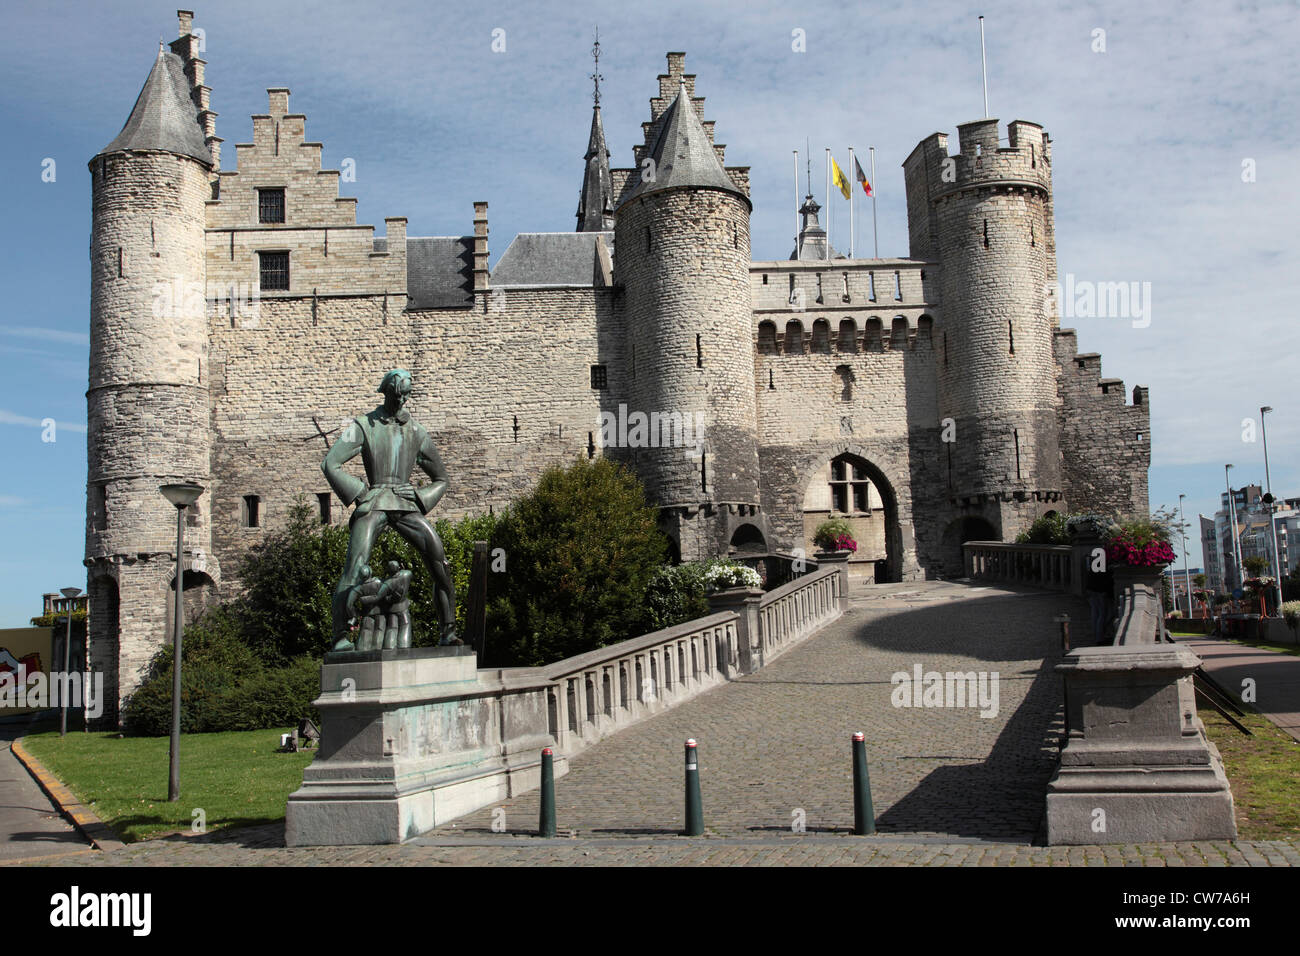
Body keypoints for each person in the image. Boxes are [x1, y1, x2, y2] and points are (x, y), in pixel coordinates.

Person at [323, 369, 458, 650]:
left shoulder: (417, 432)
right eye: (397, 395)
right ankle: (340, 636)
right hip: (374, 501)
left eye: (406, 395)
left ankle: (448, 631)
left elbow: (442, 479)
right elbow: (330, 463)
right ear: (386, 392)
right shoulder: (362, 425)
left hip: (406, 504)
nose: (402, 401)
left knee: (440, 562)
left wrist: (420, 496)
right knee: (355, 566)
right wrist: (360, 492)